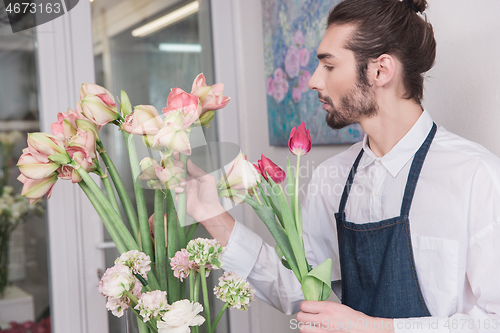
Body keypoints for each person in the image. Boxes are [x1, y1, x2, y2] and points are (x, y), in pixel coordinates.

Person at [175, 0, 500, 331]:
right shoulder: (333, 177)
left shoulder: (475, 176)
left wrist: (373, 328)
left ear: (381, 70)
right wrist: (211, 214)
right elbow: (296, 287)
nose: (314, 81)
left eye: (329, 66)